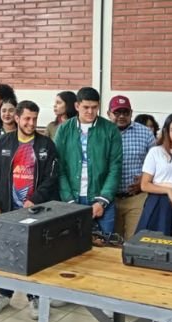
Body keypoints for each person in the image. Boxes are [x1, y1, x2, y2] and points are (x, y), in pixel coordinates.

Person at [0, 100, 61, 318]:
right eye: (27, 118)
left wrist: (35, 199)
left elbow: (52, 177)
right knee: (7, 253)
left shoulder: (46, 145)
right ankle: (4, 294)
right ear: (17, 118)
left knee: (33, 254)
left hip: (34, 211)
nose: (31, 123)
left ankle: (34, 298)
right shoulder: (2, 143)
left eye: (35, 119)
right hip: (8, 209)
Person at [54, 87, 122, 236]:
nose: (90, 112)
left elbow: (115, 167)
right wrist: (69, 201)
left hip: (102, 199)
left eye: (94, 107)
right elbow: (59, 168)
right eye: (86, 107)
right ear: (77, 106)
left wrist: (102, 201)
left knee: (105, 245)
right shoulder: (64, 129)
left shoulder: (110, 130)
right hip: (72, 198)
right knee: (71, 246)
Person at [107, 95, 155, 240]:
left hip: (136, 198)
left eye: (125, 112)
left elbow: (159, 162)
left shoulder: (145, 133)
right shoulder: (101, 132)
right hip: (109, 199)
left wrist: (146, 179)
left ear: (131, 113)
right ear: (108, 113)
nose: (122, 116)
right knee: (111, 243)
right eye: (117, 112)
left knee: (133, 241)